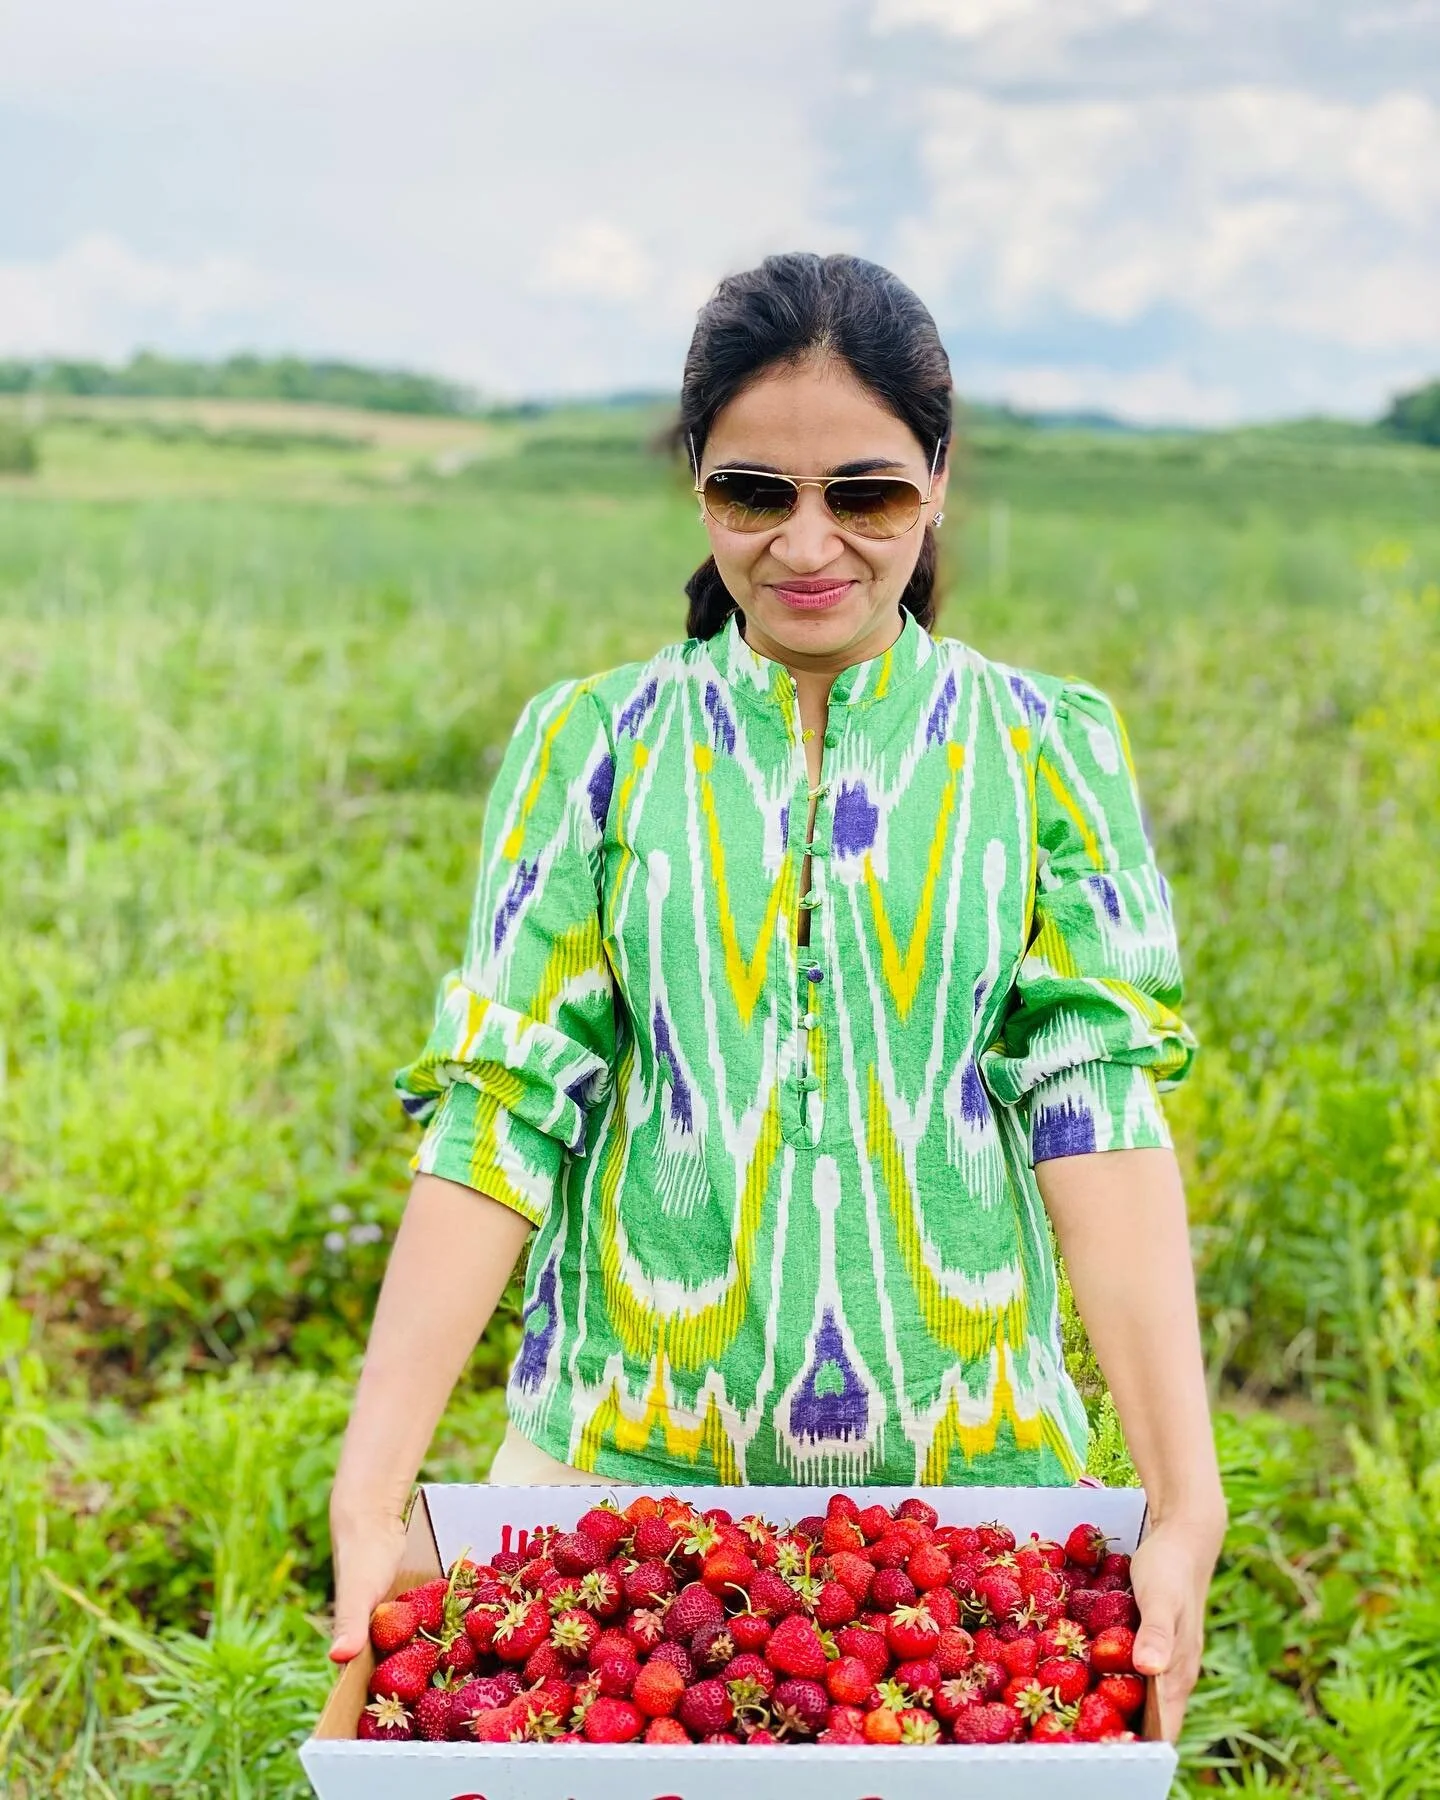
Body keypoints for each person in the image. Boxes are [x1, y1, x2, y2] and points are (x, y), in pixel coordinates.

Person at [326, 251, 1226, 1736]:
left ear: (936, 483)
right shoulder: (592, 748)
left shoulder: (1043, 748)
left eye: (863, 493)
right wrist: (373, 1494)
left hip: (969, 1536)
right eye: (757, 493)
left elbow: (1101, 1119)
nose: (809, 543)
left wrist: (1180, 1501)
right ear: (699, 489)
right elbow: (498, 1120)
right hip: (614, 1537)